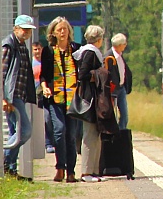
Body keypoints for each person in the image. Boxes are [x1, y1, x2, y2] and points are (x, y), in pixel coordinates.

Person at [75, 25, 118, 182]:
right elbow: (83, 74)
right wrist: (99, 74)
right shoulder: (90, 53)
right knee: (90, 135)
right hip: (90, 98)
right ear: (99, 39)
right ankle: (86, 172)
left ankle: (93, 171)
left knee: (96, 135)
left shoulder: (89, 52)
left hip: (93, 97)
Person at [41, 16, 80, 183]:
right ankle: (60, 167)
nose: (62, 32)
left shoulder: (77, 49)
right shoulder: (48, 51)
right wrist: (44, 87)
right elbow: (44, 74)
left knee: (71, 135)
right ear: (53, 33)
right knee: (59, 132)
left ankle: (71, 171)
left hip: (73, 100)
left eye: (65, 29)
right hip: (55, 98)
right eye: (59, 29)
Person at [1, 14, 38, 179]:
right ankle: (2, 160)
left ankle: (10, 169)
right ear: (15, 28)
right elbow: (1, 74)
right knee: (25, 131)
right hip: (12, 96)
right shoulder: (8, 46)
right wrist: (3, 97)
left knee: (15, 132)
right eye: (24, 29)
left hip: (19, 95)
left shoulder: (22, 46)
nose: (27, 33)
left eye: (29, 30)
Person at [32, 40, 55, 154]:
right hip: (36, 96)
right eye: (35, 49)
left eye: (39, 49)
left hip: (47, 94)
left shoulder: (46, 62)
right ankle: (47, 143)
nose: (37, 51)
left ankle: (50, 142)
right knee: (44, 120)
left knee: (49, 119)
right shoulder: (32, 63)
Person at [107, 33, 133, 131]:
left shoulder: (120, 56)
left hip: (121, 89)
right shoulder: (109, 57)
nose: (125, 46)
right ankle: (112, 134)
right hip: (112, 90)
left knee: (124, 115)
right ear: (119, 45)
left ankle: (121, 133)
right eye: (124, 44)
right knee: (110, 114)